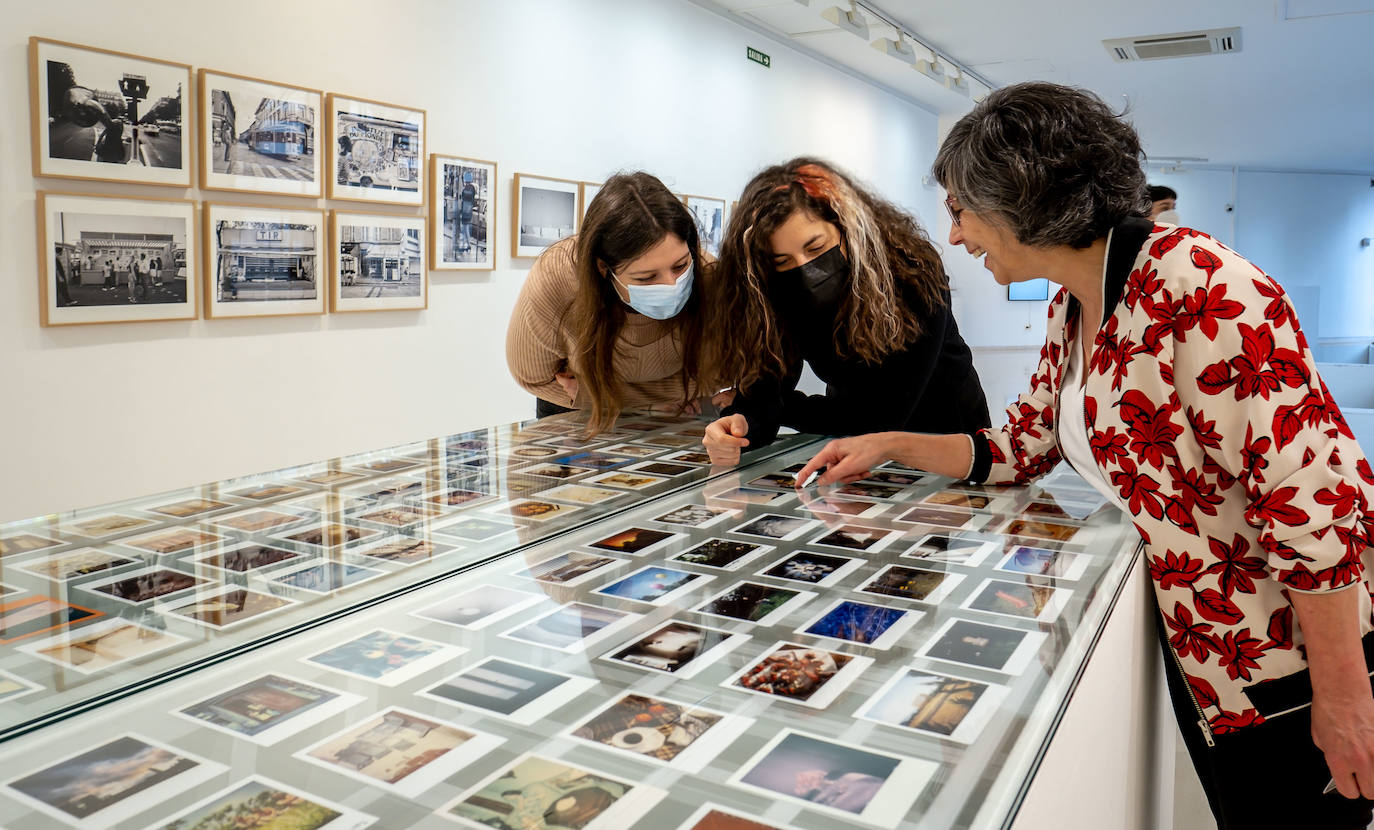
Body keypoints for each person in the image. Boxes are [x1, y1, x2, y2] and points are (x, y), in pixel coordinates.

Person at [796, 82, 1374, 830]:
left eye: (961, 210)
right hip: (1208, 644)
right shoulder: (1075, 298)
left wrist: (1345, 693)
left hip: (1287, 657)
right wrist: (888, 445)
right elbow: (1023, 445)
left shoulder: (1199, 283)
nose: (957, 236)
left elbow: (1315, 505)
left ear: (1019, 202)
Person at [702, 157, 990, 465]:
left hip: (944, 437)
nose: (805, 269)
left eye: (815, 248)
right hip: (853, 446)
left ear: (844, 228)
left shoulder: (911, 271)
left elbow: (878, 420)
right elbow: (765, 392)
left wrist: (781, 407)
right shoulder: (777, 291)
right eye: (782, 262)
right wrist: (738, 426)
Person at [505, 171, 725, 432]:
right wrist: (663, 398)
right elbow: (533, 377)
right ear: (603, 268)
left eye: (680, 266)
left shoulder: (708, 274)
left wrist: (590, 391)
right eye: (646, 277)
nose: (670, 285)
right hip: (576, 414)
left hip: (677, 415)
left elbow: (721, 373)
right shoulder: (558, 277)